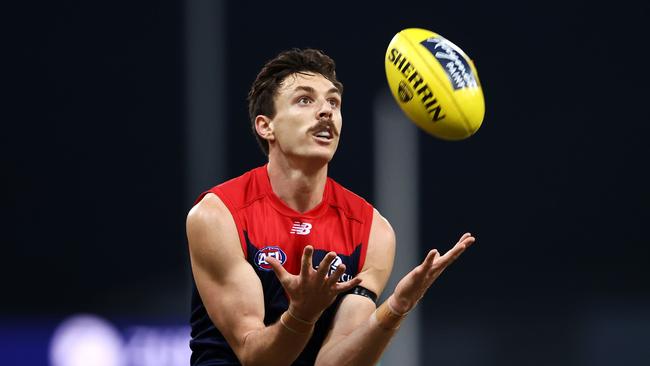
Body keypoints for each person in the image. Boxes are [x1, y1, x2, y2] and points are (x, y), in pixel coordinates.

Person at [186, 48, 476, 366]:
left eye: (333, 102)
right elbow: (254, 357)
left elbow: (332, 364)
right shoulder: (219, 214)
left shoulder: (372, 231)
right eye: (305, 100)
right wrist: (302, 315)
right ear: (265, 126)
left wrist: (396, 308)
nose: (325, 111)